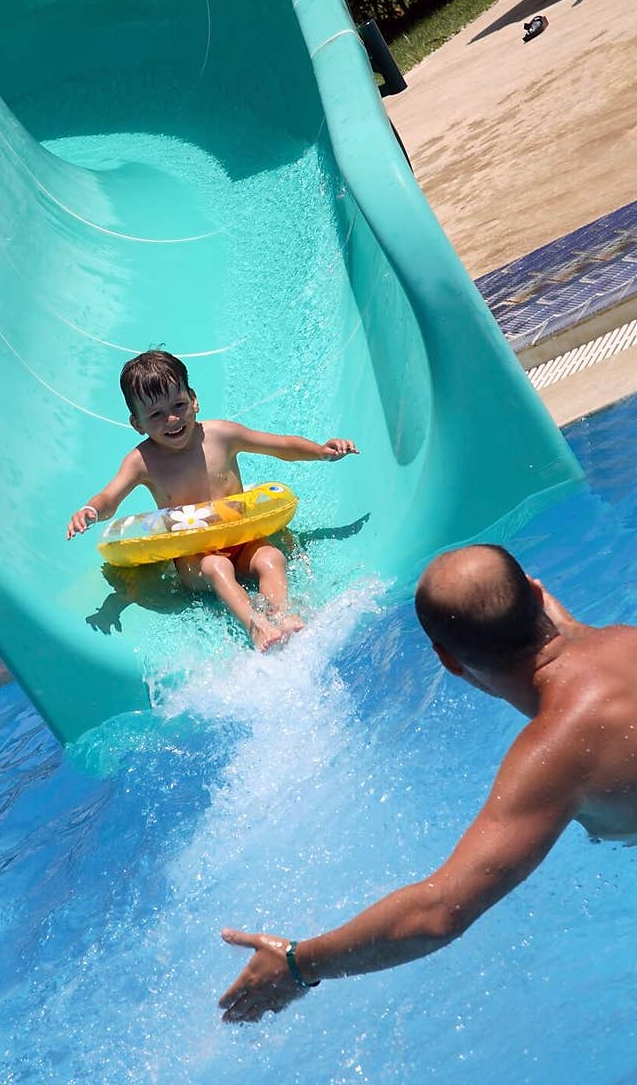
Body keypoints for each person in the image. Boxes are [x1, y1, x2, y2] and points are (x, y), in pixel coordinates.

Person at [218, 542, 637, 1021]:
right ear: (540, 596)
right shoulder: (626, 638)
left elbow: (436, 914)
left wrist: (297, 962)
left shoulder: (557, 754)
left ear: (447, 661)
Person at [66, 349, 358, 651]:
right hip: (195, 557)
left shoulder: (221, 435)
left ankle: (283, 615)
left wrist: (322, 452)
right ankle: (256, 626)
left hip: (242, 540)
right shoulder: (142, 462)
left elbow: (280, 446)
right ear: (137, 423)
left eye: (179, 405)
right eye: (155, 415)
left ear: (194, 400)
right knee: (217, 567)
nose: (172, 419)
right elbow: (110, 498)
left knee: (272, 558)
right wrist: (90, 510)